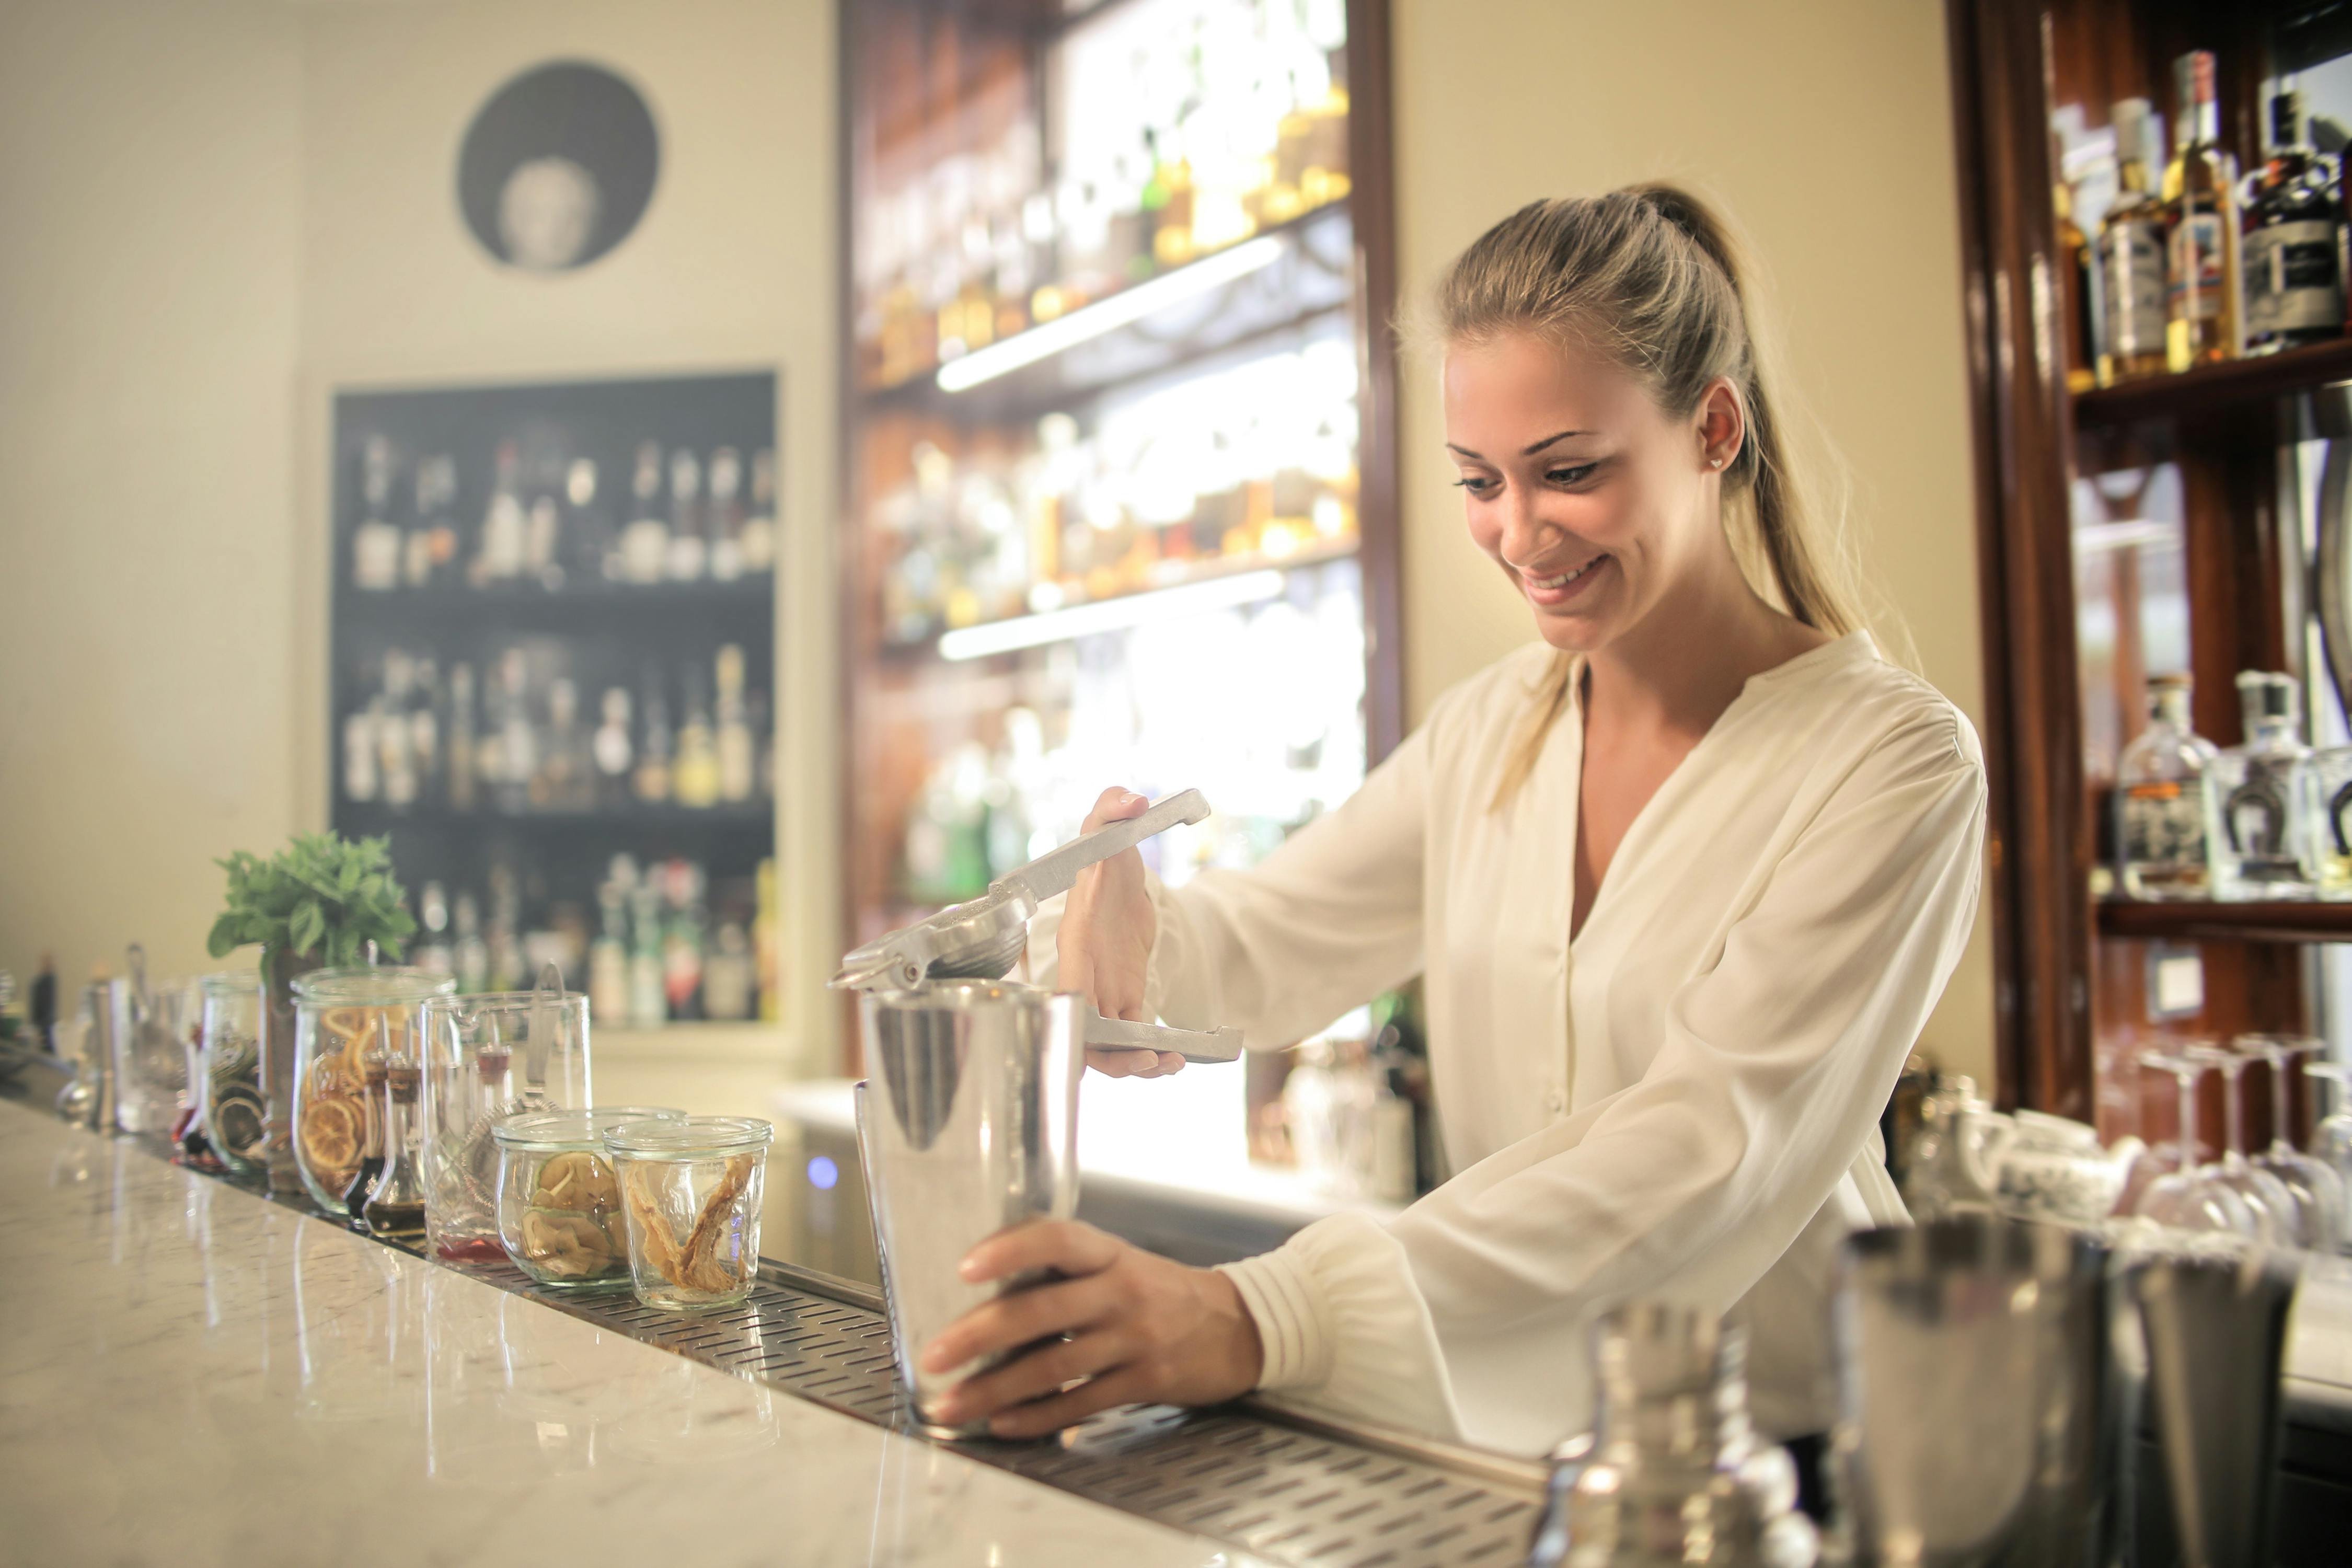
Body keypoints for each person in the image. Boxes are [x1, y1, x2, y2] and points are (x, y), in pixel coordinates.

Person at [914, 184, 1986, 1463]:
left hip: (1793, 1463)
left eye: (1570, 472)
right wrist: (1112, 947)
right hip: (1518, 1456)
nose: (1519, 534)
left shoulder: (1890, 760)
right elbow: (1273, 936)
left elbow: (1708, 1147)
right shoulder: (1496, 730)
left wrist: (1261, 1312)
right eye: (1480, 481)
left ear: (1713, 427)